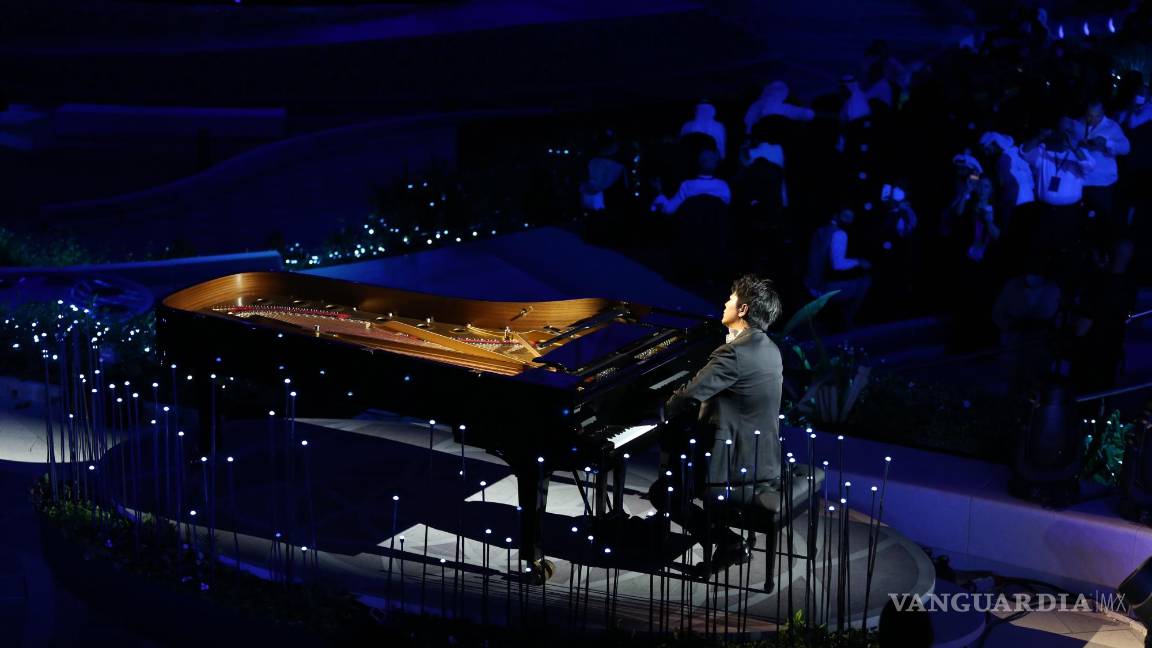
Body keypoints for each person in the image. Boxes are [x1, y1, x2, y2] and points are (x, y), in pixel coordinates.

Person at [649, 275, 784, 576]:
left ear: (744, 309)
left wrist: (661, 406)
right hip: (763, 457)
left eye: (731, 299)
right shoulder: (770, 348)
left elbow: (686, 397)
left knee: (664, 492)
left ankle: (727, 541)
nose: (725, 303)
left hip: (732, 463)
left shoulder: (733, 352)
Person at [1061, 100, 1130, 237]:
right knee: (1079, 221)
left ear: (1102, 113)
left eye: (1096, 116)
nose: (1091, 119)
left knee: (1101, 222)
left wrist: (1107, 143)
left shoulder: (1112, 127)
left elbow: (1126, 148)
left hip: (1101, 182)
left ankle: (1100, 250)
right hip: (1080, 181)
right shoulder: (1078, 123)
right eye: (1089, 115)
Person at [805, 209, 873, 329]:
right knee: (865, 282)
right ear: (836, 215)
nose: (850, 220)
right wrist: (859, 262)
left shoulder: (820, 230)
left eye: (851, 217)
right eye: (846, 216)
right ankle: (846, 322)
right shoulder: (839, 233)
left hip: (809, 284)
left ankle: (838, 318)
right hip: (822, 288)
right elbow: (838, 264)